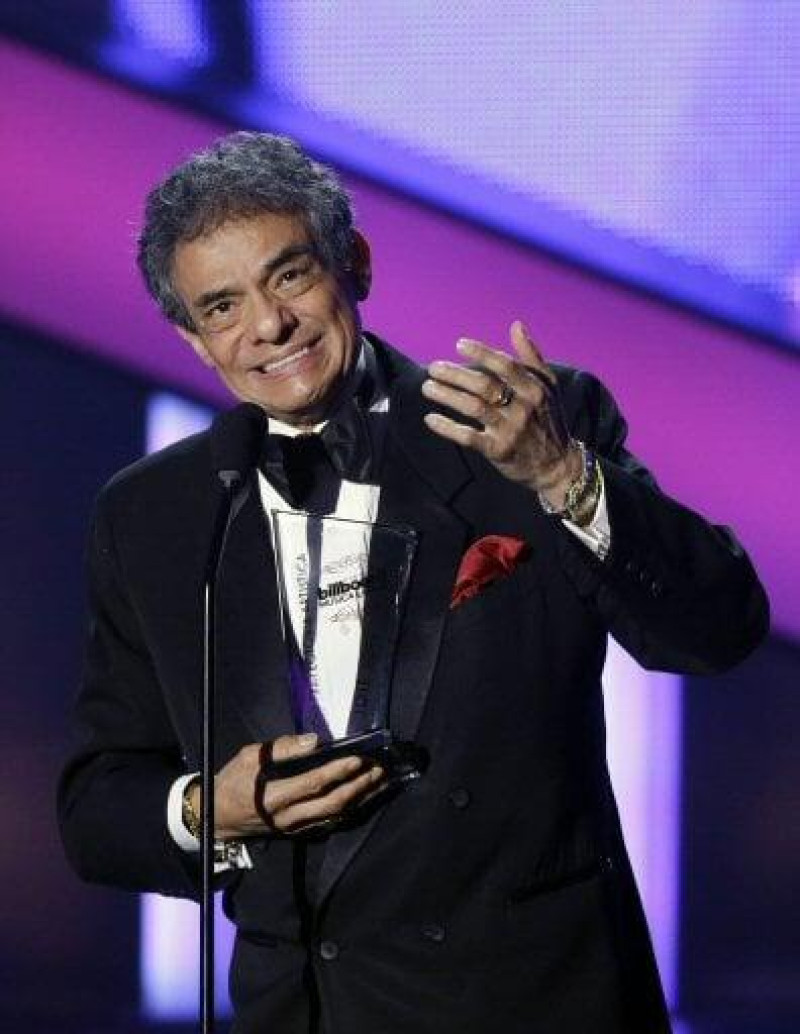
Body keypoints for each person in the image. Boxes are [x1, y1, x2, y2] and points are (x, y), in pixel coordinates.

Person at [58, 132, 768, 1034]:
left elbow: (718, 628)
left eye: (289, 276)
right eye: (223, 305)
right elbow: (98, 805)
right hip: (306, 1011)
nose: (268, 326)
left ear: (354, 263)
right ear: (194, 340)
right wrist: (211, 810)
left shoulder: (521, 429)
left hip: (532, 1004)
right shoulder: (153, 513)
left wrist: (562, 477)